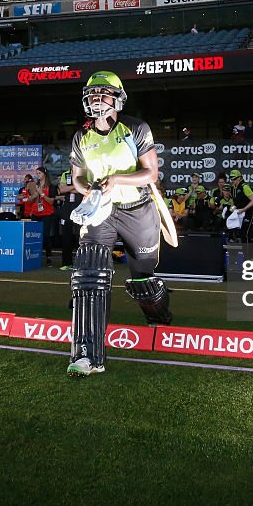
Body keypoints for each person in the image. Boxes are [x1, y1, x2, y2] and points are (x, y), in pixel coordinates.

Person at [66, 71, 171, 377]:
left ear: (118, 98)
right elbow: (77, 177)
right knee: (88, 272)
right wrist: (92, 190)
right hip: (103, 211)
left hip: (138, 209)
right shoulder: (80, 137)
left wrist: (115, 179)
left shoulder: (135, 128)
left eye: (104, 93)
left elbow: (151, 174)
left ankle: (160, 318)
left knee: (144, 282)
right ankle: (87, 354)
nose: (97, 99)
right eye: (93, 94)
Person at [28, 166, 58, 266]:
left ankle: (48, 256)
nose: (38, 175)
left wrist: (42, 194)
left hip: (47, 213)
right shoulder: (35, 185)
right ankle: (33, 255)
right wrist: (35, 195)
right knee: (33, 235)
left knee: (45, 235)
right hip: (36, 213)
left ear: (44, 174)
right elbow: (30, 200)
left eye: (39, 173)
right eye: (37, 174)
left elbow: (51, 201)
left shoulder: (51, 186)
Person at [57, 170, 81, 270]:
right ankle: (66, 263)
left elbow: (85, 189)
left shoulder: (83, 172)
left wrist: (69, 189)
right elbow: (62, 189)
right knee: (66, 235)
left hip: (81, 206)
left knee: (80, 235)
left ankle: (82, 263)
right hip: (67, 207)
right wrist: (76, 187)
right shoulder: (65, 174)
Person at [227, 168, 253, 242]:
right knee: (242, 233)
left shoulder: (245, 186)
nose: (232, 180)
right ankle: (250, 251)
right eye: (231, 179)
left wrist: (244, 209)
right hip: (241, 212)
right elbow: (235, 202)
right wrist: (232, 209)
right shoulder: (233, 188)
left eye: (234, 179)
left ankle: (248, 252)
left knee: (245, 234)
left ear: (240, 178)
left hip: (250, 212)